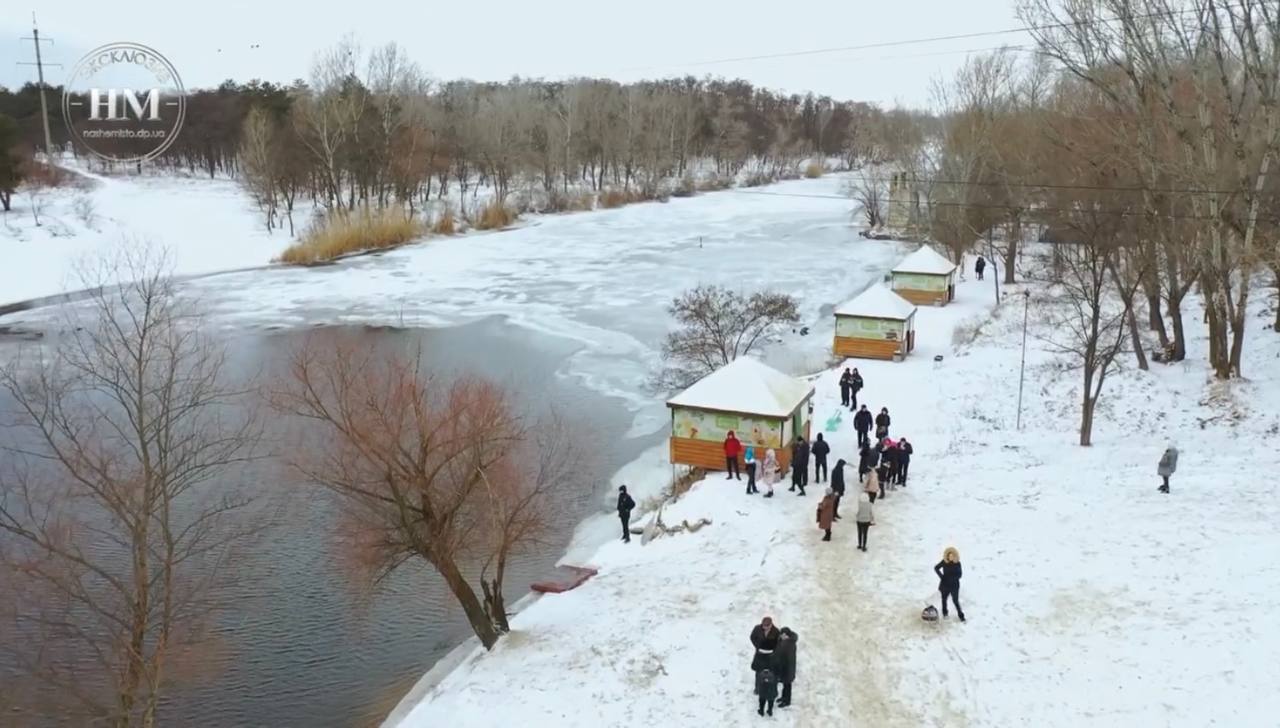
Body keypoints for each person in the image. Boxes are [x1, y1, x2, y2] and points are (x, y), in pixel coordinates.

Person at [935, 547, 965, 622]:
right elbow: (936, 568)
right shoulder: (944, 562)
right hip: (945, 585)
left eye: (952, 556)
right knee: (944, 599)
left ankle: (961, 615)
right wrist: (942, 577)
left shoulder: (957, 563)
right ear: (947, 556)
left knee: (955, 601)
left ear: (954, 556)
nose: (950, 557)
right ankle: (945, 613)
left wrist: (953, 578)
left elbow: (960, 574)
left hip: (954, 585)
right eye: (949, 556)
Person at [750, 616, 780, 692]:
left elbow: (778, 643)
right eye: (763, 626)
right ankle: (758, 688)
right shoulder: (757, 628)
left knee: (771, 672)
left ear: (771, 625)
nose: (765, 628)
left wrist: (773, 649)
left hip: (770, 655)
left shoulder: (776, 631)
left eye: (767, 626)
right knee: (758, 672)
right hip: (760, 654)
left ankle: (770, 688)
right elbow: (752, 637)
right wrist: (757, 645)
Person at [775, 627, 798, 708]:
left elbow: (784, 657)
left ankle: (787, 701)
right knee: (785, 685)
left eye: (784, 635)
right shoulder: (785, 642)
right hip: (786, 668)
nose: (782, 636)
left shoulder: (789, 644)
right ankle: (783, 698)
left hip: (787, 668)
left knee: (787, 685)